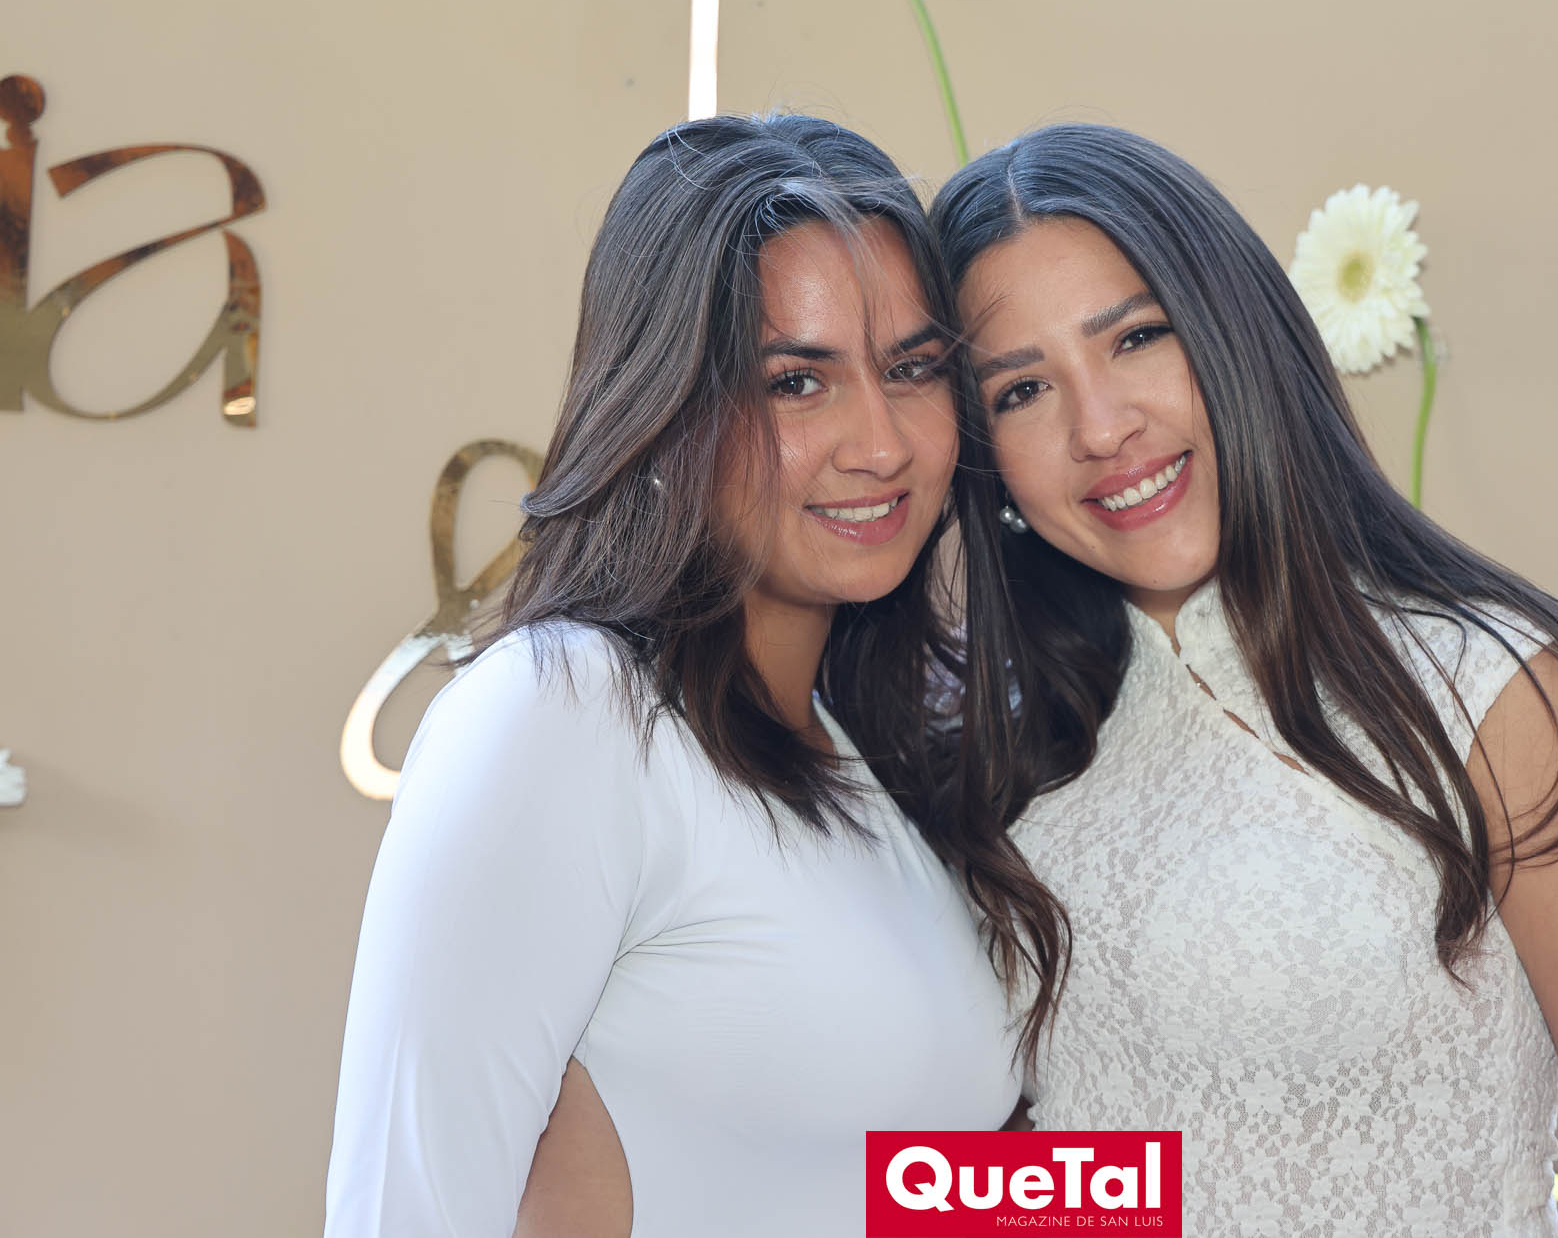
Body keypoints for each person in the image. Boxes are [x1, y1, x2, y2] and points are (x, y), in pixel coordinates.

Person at [931, 124, 1558, 1238]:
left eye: (1136, 337)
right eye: (1019, 391)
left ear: (1238, 333)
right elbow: (1086, 1170)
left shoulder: (1500, 695)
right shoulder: (999, 753)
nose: (1099, 427)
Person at [324, 114, 1062, 1238]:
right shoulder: (562, 713)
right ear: (664, 407)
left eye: (911, 369)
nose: (881, 443)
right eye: (795, 382)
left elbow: (903, 1195)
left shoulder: (860, 749)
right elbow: (403, 1215)